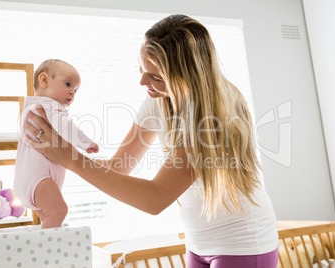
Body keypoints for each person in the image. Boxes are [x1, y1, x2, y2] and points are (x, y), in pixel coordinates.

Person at [24, 15, 279, 267]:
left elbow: (154, 199)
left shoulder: (211, 116)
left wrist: (68, 156)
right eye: (142, 68)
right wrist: (46, 181)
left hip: (243, 245)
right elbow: (118, 167)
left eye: (156, 77)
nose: (143, 81)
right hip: (198, 244)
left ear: (187, 77)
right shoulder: (158, 100)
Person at [14, 59, 99, 229]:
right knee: (59, 212)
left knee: (51, 223)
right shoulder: (48, 106)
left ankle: (49, 249)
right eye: (68, 84)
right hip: (39, 180)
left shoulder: (30, 108)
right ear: (44, 80)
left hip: (28, 182)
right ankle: (43, 252)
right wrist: (85, 142)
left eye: (75, 90)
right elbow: (65, 126)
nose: (72, 93)